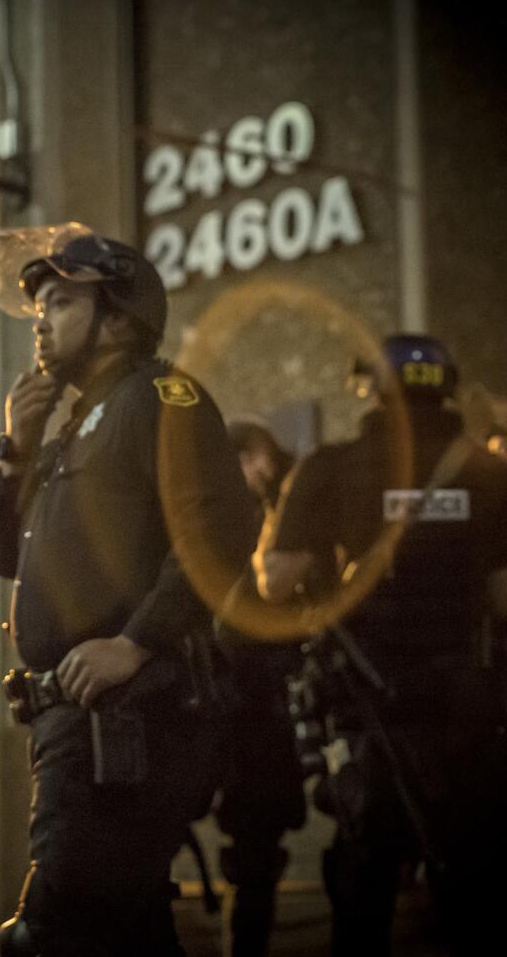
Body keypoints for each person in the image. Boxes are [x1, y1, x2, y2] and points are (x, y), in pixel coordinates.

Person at [0, 225, 258, 956]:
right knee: (126, 932)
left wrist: (136, 644)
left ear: (119, 317)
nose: (41, 317)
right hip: (72, 719)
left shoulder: (163, 398)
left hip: (129, 721)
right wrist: (17, 451)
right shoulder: (75, 424)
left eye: (62, 300)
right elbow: (6, 555)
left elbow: (224, 532)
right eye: (38, 303)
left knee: (52, 931)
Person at [259, 334, 507, 957]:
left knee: (363, 872)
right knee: (470, 869)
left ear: (370, 389)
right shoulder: (489, 471)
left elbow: (277, 580)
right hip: (466, 704)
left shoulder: (331, 467)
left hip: (367, 703)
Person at [214, 419, 307, 957]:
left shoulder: (284, 506)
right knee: (251, 844)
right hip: (243, 696)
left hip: (265, 699)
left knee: (255, 843)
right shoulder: (247, 510)